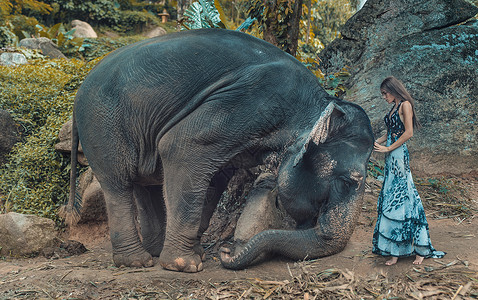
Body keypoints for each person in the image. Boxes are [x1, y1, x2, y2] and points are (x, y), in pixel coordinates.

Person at [372, 76, 445, 266]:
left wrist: (388, 148)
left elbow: (408, 132)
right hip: (391, 157)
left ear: (393, 89)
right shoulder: (394, 107)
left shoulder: (405, 105)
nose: (384, 97)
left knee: (405, 197)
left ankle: (420, 248)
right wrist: (377, 142)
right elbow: (391, 131)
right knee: (391, 198)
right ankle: (395, 250)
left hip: (398, 155)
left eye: (384, 93)